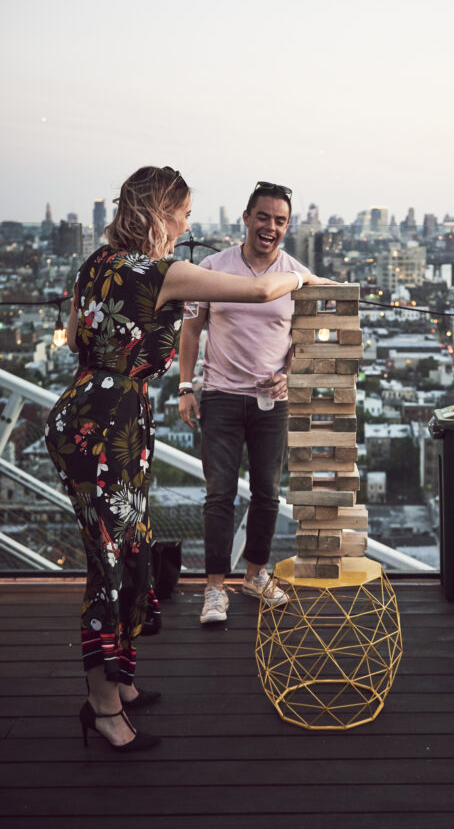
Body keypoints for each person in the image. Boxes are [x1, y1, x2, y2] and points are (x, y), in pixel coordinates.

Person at [44, 166, 332, 752]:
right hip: (112, 426)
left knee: (128, 549)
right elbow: (257, 290)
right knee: (109, 562)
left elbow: (75, 336)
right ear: (159, 214)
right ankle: (101, 708)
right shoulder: (161, 271)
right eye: (182, 214)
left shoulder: (94, 264)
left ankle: (120, 681)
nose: (188, 224)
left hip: (84, 412)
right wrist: (301, 282)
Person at [178, 181, 306, 625]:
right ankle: (214, 588)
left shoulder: (295, 275)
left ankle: (255, 573)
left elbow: (304, 339)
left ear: (287, 226)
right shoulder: (213, 268)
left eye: (280, 220)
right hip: (221, 397)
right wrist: (185, 386)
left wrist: (289, 372)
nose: (270, 227)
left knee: (268, 494)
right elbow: (191, 330)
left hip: (273, 401)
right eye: (264, 217)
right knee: (220, 494)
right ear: (247, 218)